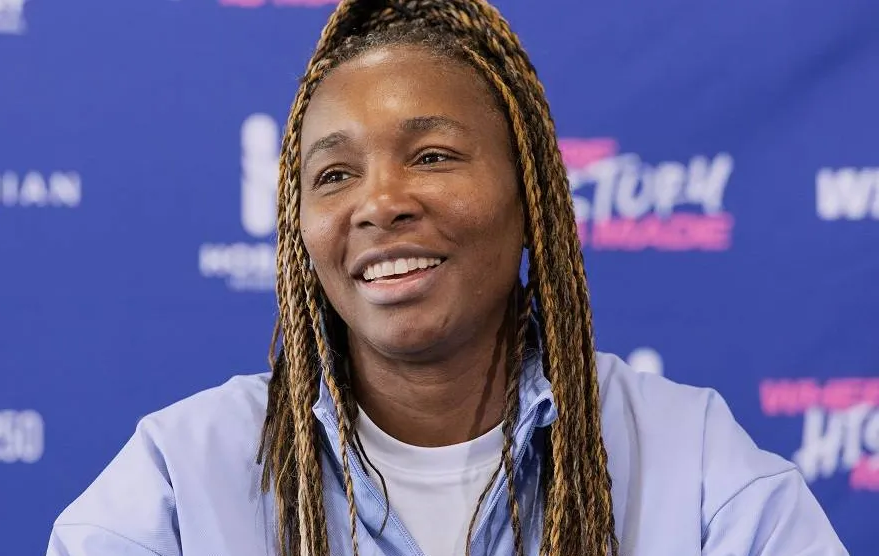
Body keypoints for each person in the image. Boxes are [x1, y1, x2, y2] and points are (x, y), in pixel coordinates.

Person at [45, 1, 849, 555]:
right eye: (333, 176)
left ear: (531, 196)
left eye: (432, 156)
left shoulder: (694, 462)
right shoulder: (180, 477)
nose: (381, 202)